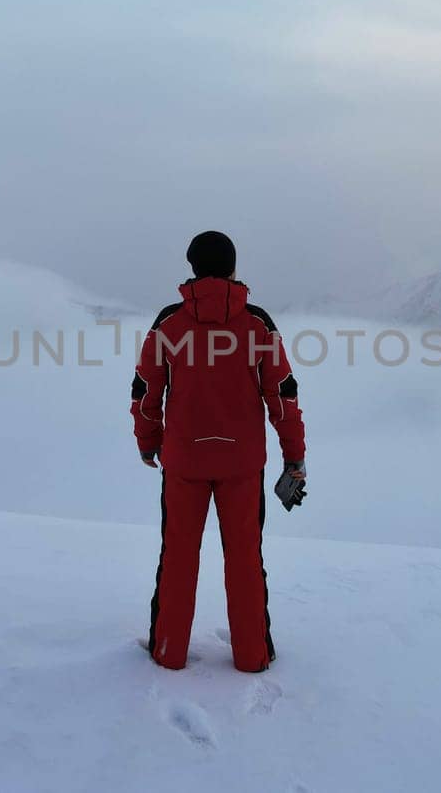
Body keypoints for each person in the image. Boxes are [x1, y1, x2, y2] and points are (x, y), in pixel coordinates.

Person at [131, 230, 306, 673]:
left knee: (178, 557)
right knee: (245, 559)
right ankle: (252, 656)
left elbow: (147, 390)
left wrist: (149, 441)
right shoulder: (257, 324)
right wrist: (294, 456)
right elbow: (282, 395)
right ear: (232, 268)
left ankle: (168, 652)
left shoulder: (168, 324)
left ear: (192, 267)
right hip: (242, 466)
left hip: (184, 462)